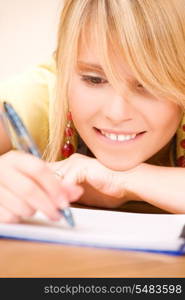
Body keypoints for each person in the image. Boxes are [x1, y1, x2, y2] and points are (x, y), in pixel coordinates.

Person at [0, 0, 185, 224]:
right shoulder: (40, 95)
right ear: (64, 67)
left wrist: (120, 180)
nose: (117, 113)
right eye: (94, 79)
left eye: (148, 84)